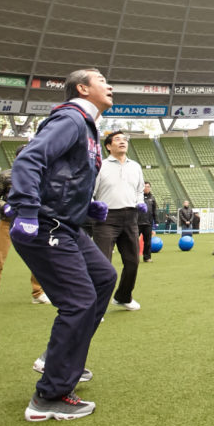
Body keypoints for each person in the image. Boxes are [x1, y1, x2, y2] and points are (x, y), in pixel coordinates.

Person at [5, 68, 118, 421]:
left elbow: (64, 177)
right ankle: (49, 396)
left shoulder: (88, 127)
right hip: (43, 225)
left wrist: (87, 207)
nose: (109, 85)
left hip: (67, 226)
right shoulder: (71, 118)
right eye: (102, 80)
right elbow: (29, 159)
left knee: (103, 278)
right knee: (79, 301)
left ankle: (60, 361)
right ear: (82, 89)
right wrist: (25, 208)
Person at [0, 145, 49, 310]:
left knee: (39, 259)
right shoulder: (6, 175)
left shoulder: (42, 175)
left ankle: (38, 292)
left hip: (33, 222)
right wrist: (4, 207)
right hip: (8, 222)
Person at [92, 131, 143, 311]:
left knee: (133, 262)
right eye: (117, 139)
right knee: (103, 264)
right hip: (106, 219)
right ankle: (96, 306)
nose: (122, 142)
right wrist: (94, 206)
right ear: (108, 146)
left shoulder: (135, 166)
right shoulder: (100, 166)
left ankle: (123, 296)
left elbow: (139, 190)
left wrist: (140, 203)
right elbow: (90, 192)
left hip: (130, 218)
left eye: (124, 139)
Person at [139, 182, 157, 262]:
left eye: (148, 186)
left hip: (148, 223)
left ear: (150, 188)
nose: (146, 188)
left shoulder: (152, 198)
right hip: (137, 223)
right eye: (145, 186)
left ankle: (147, 257)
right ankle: (133, 257)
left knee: (148, 242)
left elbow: (154, 211)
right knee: (133, 241)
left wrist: (156, 222)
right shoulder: (138, 197)